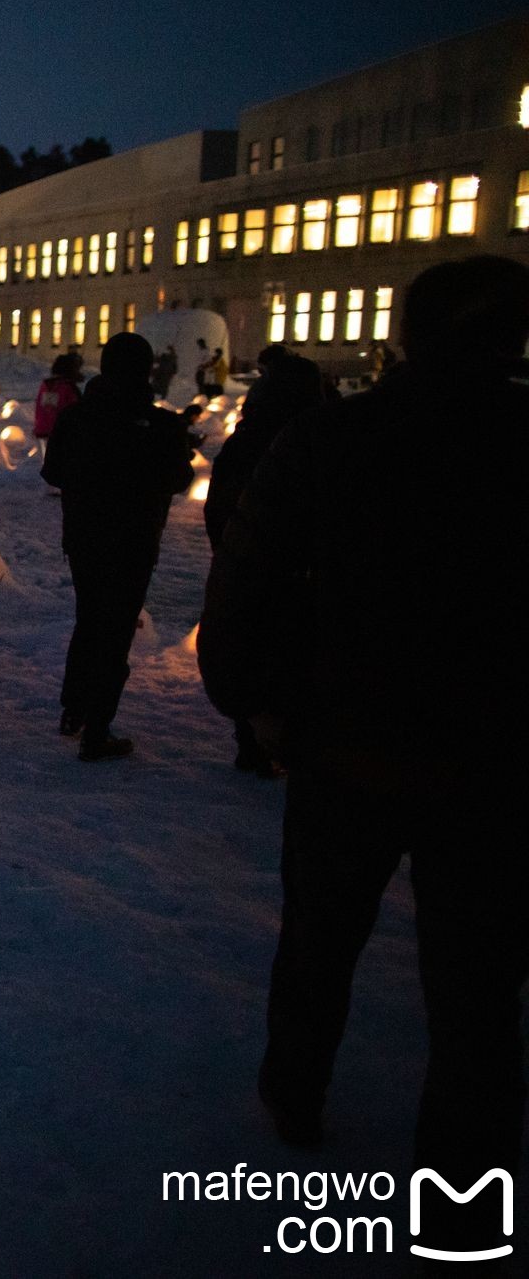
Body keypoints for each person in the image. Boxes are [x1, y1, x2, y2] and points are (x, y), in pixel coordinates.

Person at [200, 257, 529, 1246]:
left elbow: (244, 576)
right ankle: (461, 1210)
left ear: (402, 336)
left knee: (318, 941)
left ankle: (292, 1093)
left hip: (344, 750)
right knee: (477, 993)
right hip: (492, 770)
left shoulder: (331, 438)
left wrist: (250, 701)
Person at [40, 332, 192, 761]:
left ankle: (74, 709)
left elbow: (53, 473)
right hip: (134, 542)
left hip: (85, 538)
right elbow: (178, 479)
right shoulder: (161, 424)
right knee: (116, 631)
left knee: (89, 620)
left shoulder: (76, 418)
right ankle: (98, 729)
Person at [201, 346, 327, 777]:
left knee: (248, 646)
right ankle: (282, 745)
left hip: (245, 564)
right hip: (295, 576)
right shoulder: (315, 442)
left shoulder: (246, 439)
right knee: (289, 657)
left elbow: (217, 504)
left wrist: (228, 547)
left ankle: (251, 743)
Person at [33, 353, 83, 442]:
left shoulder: (45, 385)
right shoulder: (69, 388)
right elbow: (76, 412)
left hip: (42, 431)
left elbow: (39, 409)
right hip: (62, 434)